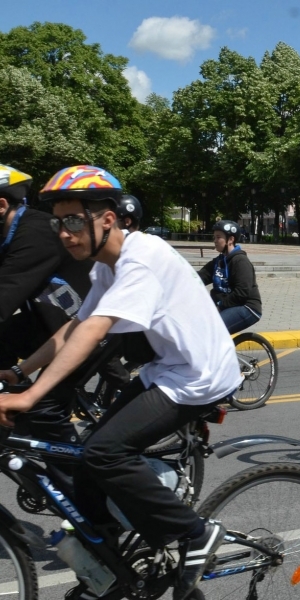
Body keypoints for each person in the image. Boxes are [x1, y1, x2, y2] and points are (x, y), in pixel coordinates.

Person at [0, 165, 240, 600]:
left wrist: (31, 395)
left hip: (199, 376)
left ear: (107, 219)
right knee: (88, 459)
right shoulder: (104, 266)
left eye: (74, 221)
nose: (64, 233)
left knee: (105, 452)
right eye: (58, 223)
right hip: (166, 370)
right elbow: (76, 326)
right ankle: (113, 565)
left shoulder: (140, 260)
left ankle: (195, 533)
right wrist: (19, 373)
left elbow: (94, 332)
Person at [0, 163, 92, 442]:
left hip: (88, 331)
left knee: (44, 411)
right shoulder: (8, 233)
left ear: (1, 204)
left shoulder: (36, 234)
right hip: (47, 325)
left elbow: (4, 296)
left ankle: (74, 482)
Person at [198, 220, 263, 334]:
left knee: (213, 331)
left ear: (231, 240)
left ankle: (223, 351)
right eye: (214, 237)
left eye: (218, 237)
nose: (215, 241)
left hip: (247, 307)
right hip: (227, 305)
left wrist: (220, 306)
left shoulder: (240, 261)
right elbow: (199, 277)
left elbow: (242, 293)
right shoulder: (219, 261)